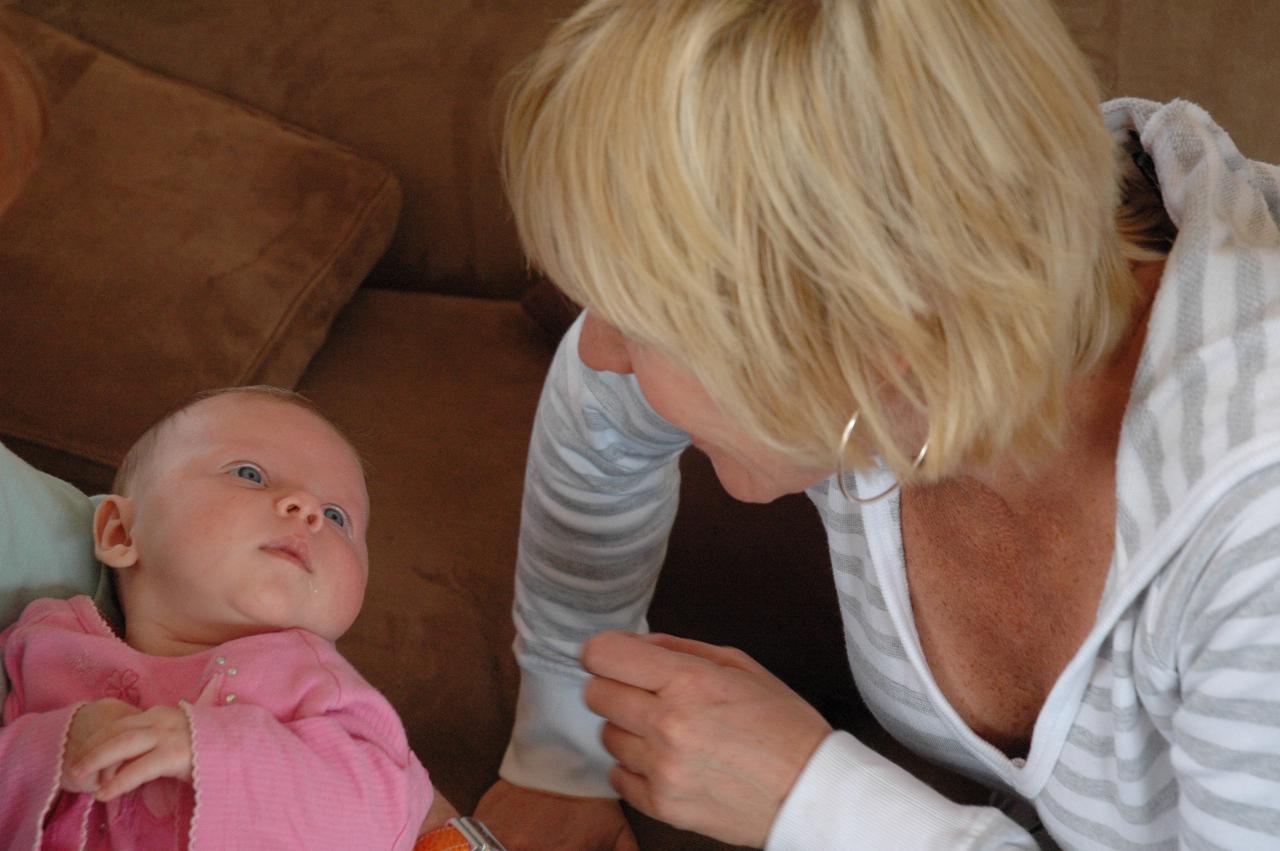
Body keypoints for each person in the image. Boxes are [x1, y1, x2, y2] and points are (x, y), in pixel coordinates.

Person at [473, 0, 1280, 848]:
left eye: (638, 325)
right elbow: (595, 413)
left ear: (872, 339)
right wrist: (559, 750)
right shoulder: (923, 331)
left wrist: (814, 803)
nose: (600, 350)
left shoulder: (1253, 521)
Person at [0, 387, 439, 849]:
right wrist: (52, 747)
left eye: (336, 516)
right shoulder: (49, 642)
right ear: (120, 531)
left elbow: (384, 814)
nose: (306, 509)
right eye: (250, 474)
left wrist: (215, 751)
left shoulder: (323, 688)